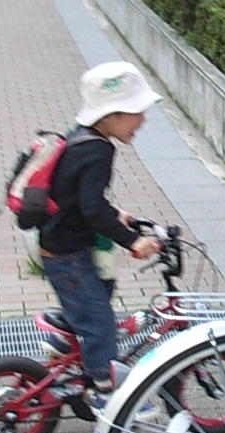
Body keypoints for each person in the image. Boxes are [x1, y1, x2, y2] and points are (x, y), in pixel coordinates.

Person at [38, 61, 163, 412]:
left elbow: (78, 197)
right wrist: (132, 240)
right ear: (111, 115)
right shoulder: (98, 150)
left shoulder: (82, 137)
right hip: (67, 254)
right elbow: (91, 208)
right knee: (99, 321)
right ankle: (104, 390)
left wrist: (116, 214)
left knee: (98, 294)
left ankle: (66, 341)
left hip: (62, 244)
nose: (142, 120)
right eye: (136, 112)